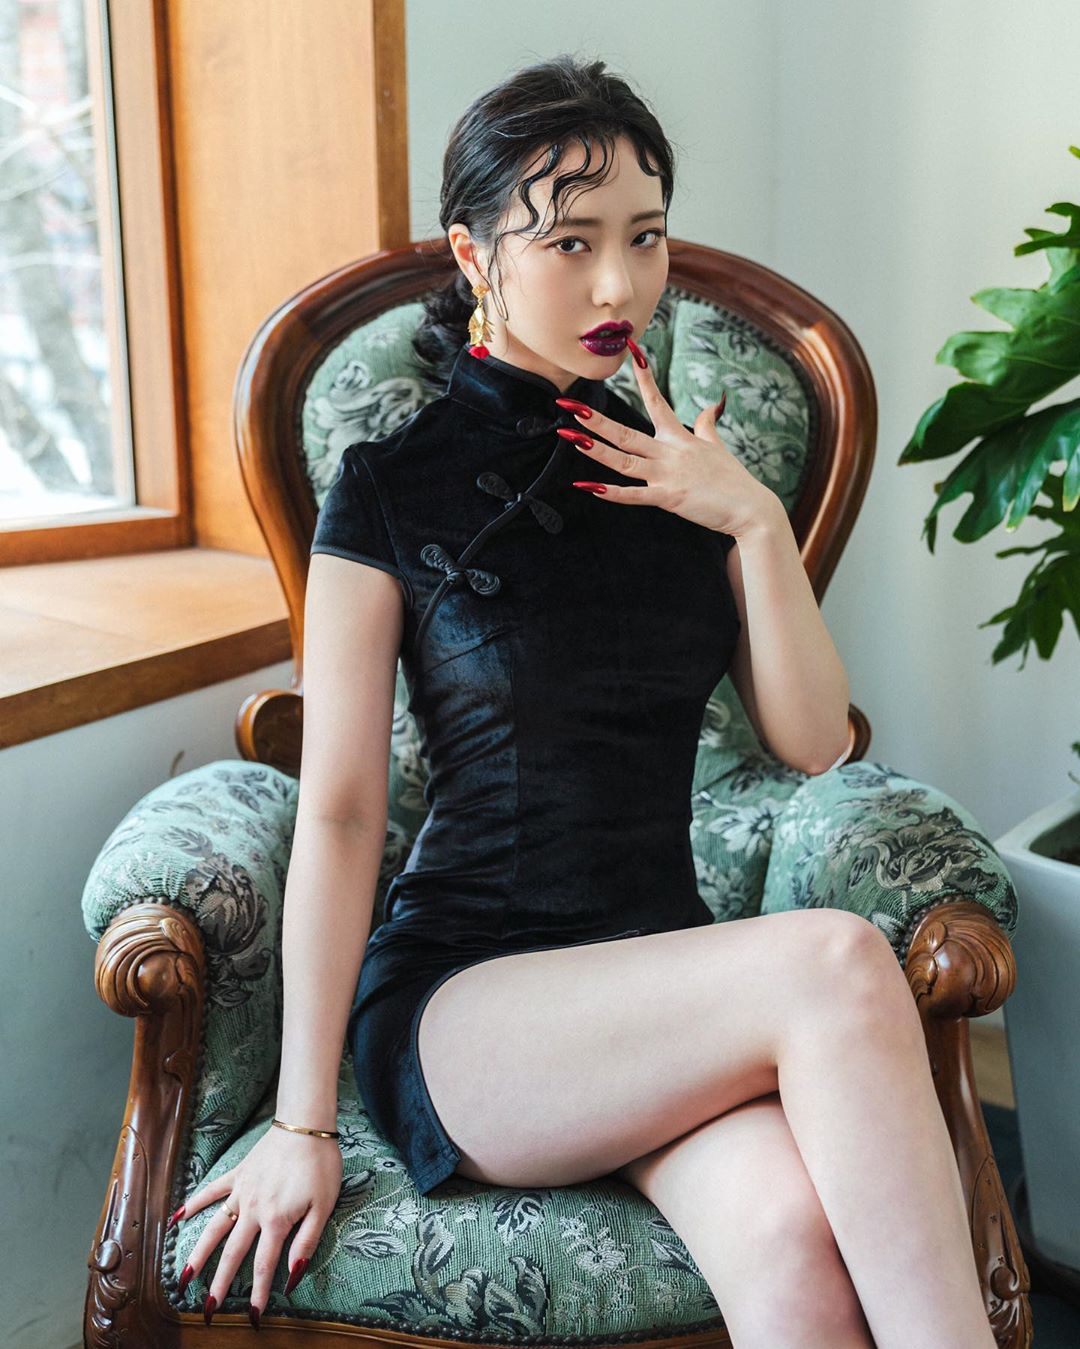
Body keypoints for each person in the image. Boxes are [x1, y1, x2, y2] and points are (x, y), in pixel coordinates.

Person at [171, 55, 996, 1348]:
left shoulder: (692, 477)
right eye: (571, 242)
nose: (620, 286)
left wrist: (753, 520)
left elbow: (813, 741)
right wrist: (301, 1121)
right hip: (472, 1001)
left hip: (662, 990)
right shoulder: (385, 488)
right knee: (838, 962)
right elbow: (339, 815)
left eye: (645, 238)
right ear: (476, 255)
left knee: (794, 1243)